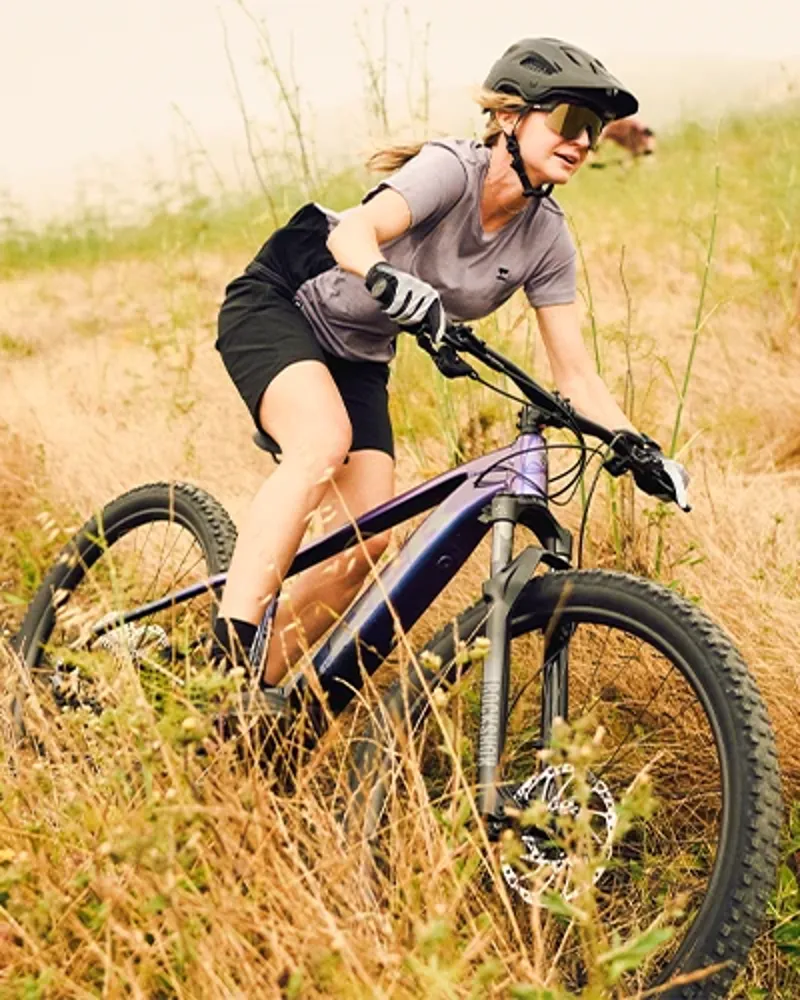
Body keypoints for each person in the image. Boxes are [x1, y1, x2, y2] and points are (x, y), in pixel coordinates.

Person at [212, 37, 657, 713]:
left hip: (359, 351)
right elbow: (352, 232)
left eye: (593, 132)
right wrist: (383, 273)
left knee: (367, 539)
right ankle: (227, 648)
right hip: (287, 300)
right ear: (512, 118)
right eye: (569, 120)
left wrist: (637, 444)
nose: (582, 142)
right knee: (320, 443)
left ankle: (234, 705)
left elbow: (577, 375)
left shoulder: (547, 238)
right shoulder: (453, 167)